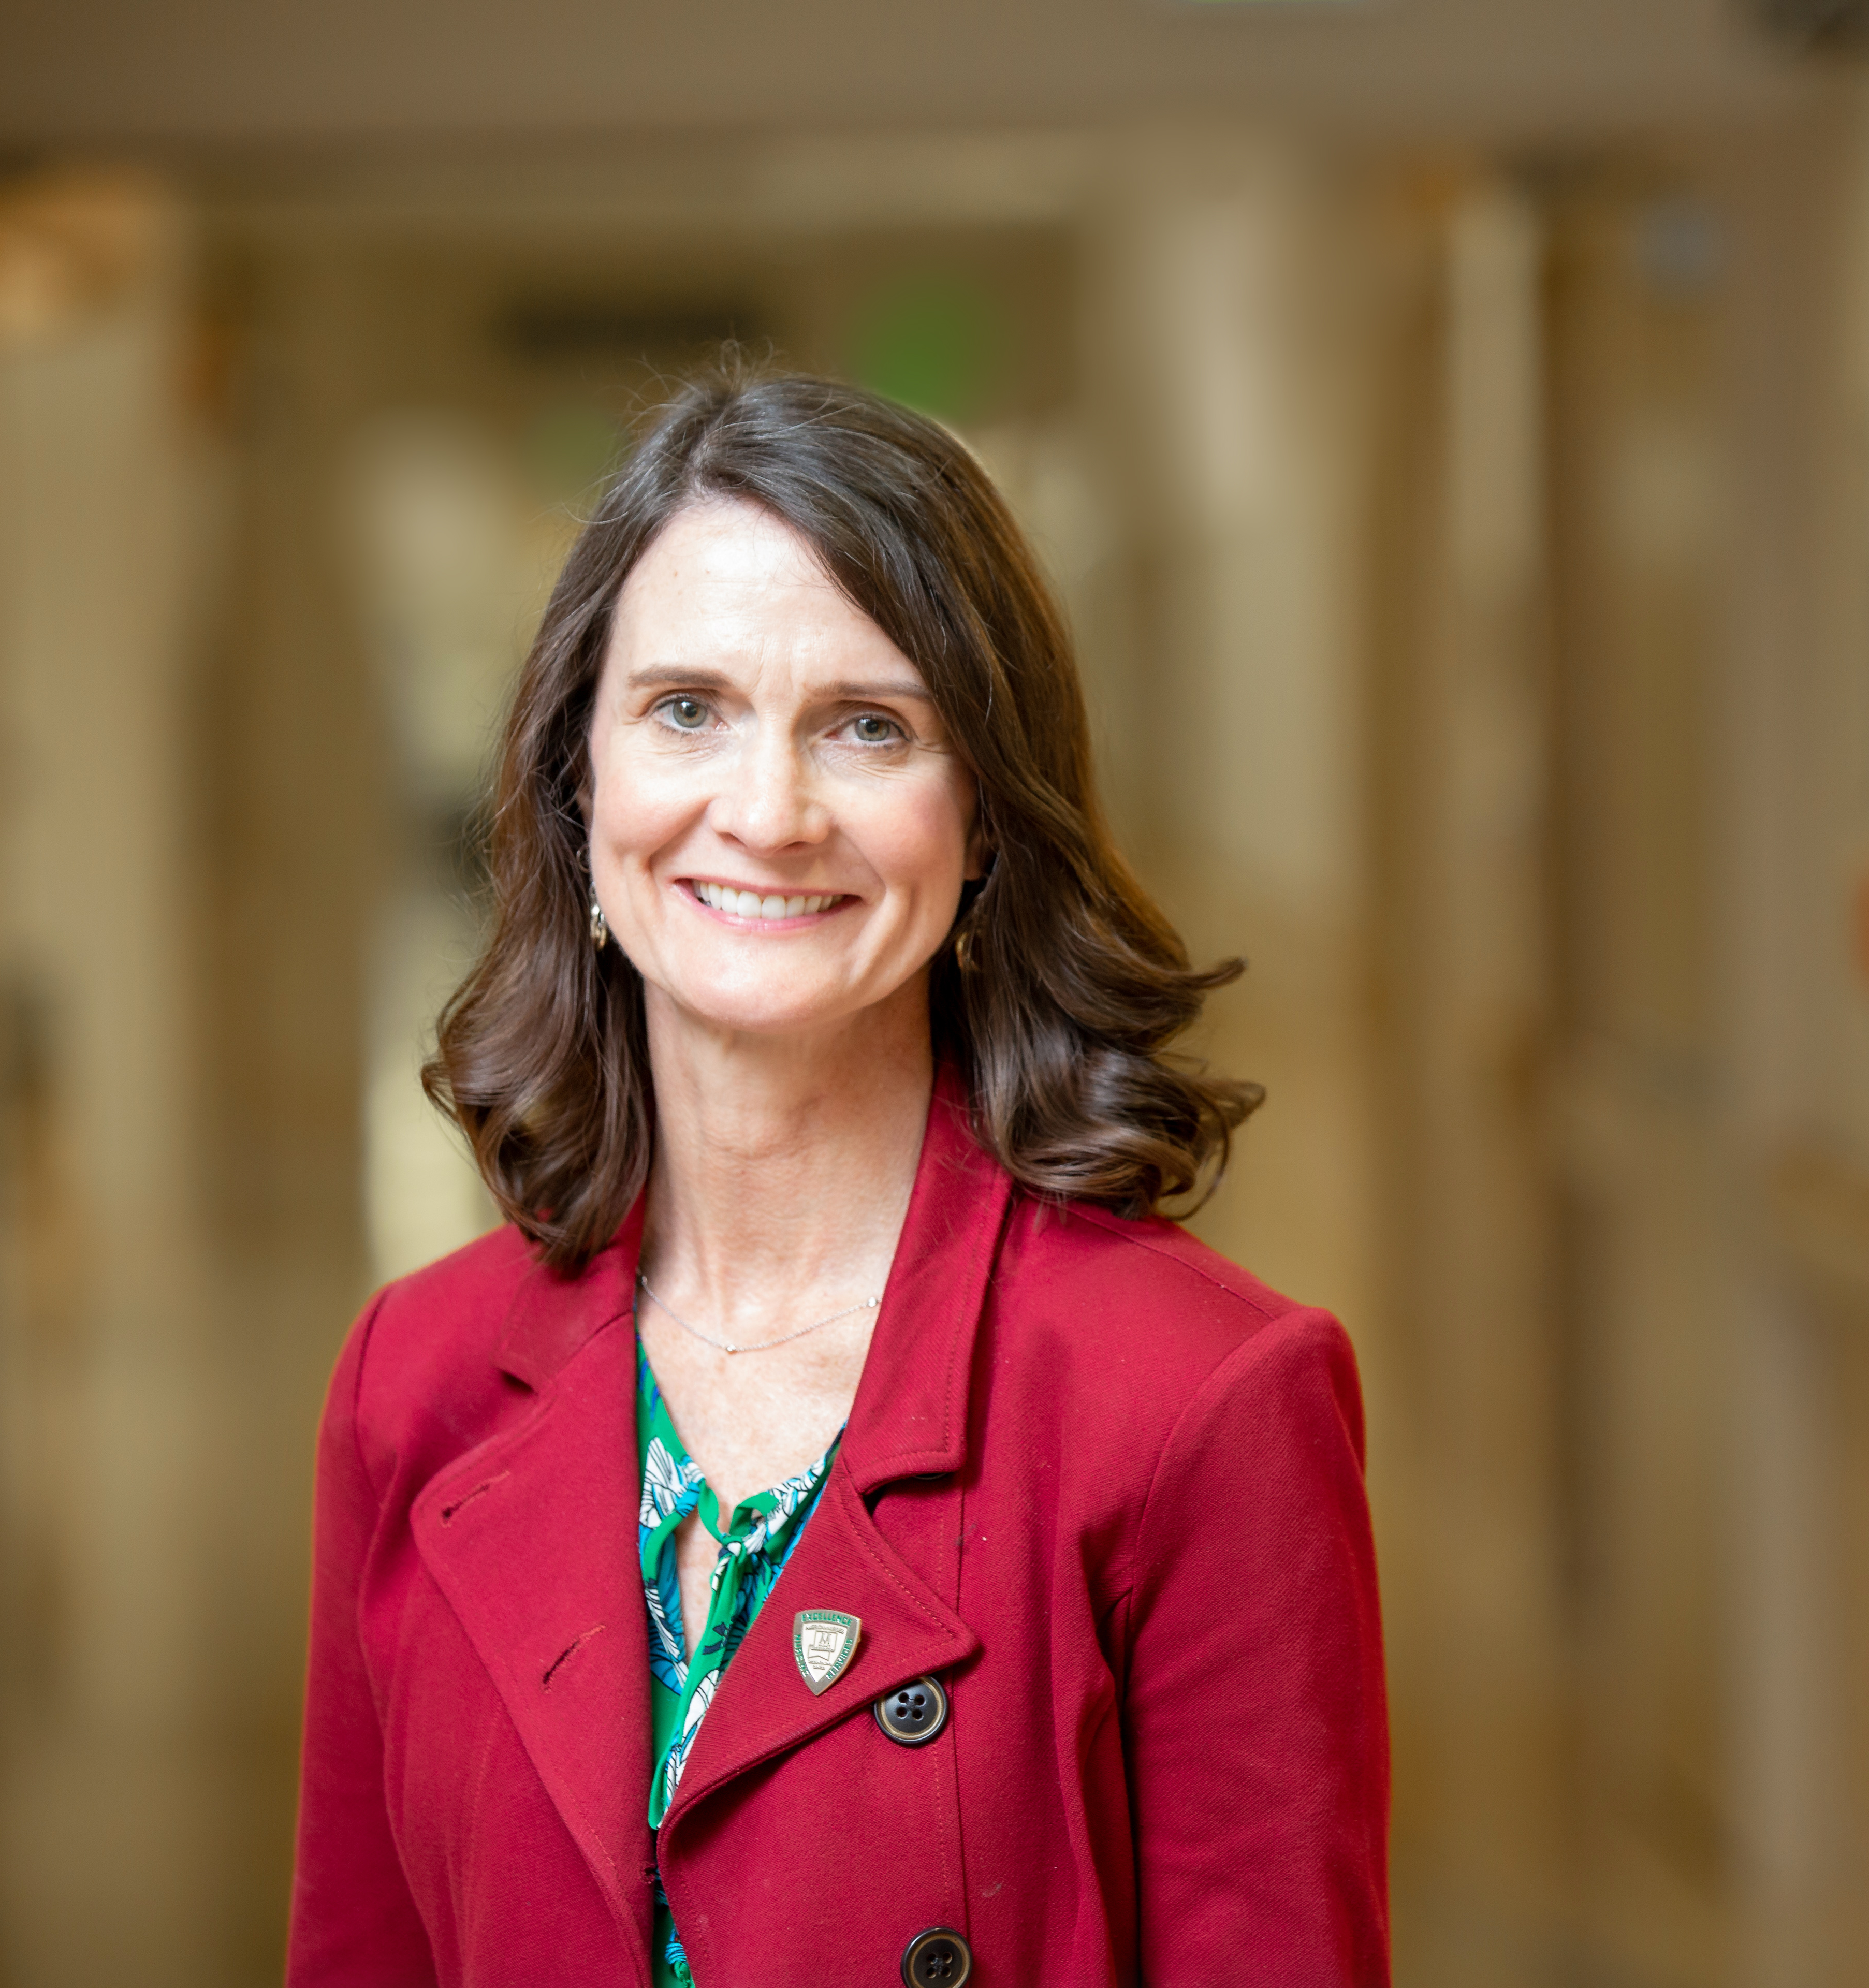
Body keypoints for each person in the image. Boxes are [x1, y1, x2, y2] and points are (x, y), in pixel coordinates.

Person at [285, 371, 1389, 1987]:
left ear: (987, 818)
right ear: (576, 783)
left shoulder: (1198, 1403)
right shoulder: (417, 1384)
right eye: (687, 711)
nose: (769, 811)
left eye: (869, 726)